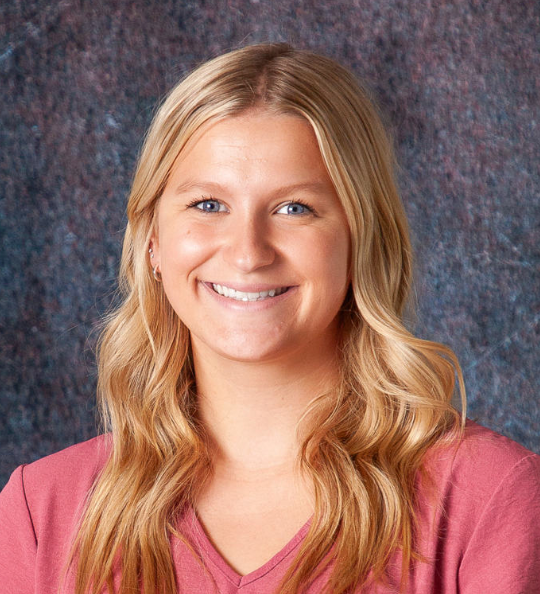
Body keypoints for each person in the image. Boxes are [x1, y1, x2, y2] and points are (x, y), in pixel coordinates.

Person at [0, 43, 539, 594]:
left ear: (361, 242)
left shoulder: (491, 499)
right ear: (153, 243)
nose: (248, 253)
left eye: (294, 208)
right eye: (208, 205)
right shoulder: (40, 512)